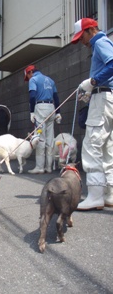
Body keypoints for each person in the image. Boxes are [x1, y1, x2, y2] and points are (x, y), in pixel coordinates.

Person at [71, 18, 113, 210]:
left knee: (92, 144)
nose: (82, 42)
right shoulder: (105, 42)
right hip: (107, 97)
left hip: (103, 97)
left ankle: (95, 195)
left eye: (82, 37)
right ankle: (109, 194)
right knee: (107, 148)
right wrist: (90, 91)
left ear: (90, 30)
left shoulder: (100, 42)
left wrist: (93, 82)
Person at [24, 65, 62, 174]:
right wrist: (58, 113)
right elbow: (56, 97)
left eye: (27, 76)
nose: (28, 79)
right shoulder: (50, 80)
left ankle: (39, 167)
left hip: (40, 108)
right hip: (51, 108)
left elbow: (32, 96)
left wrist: (31, 112)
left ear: (30, 72)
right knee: (50, 139)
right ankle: (48, 167)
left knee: (40, 138)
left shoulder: (33, 80)